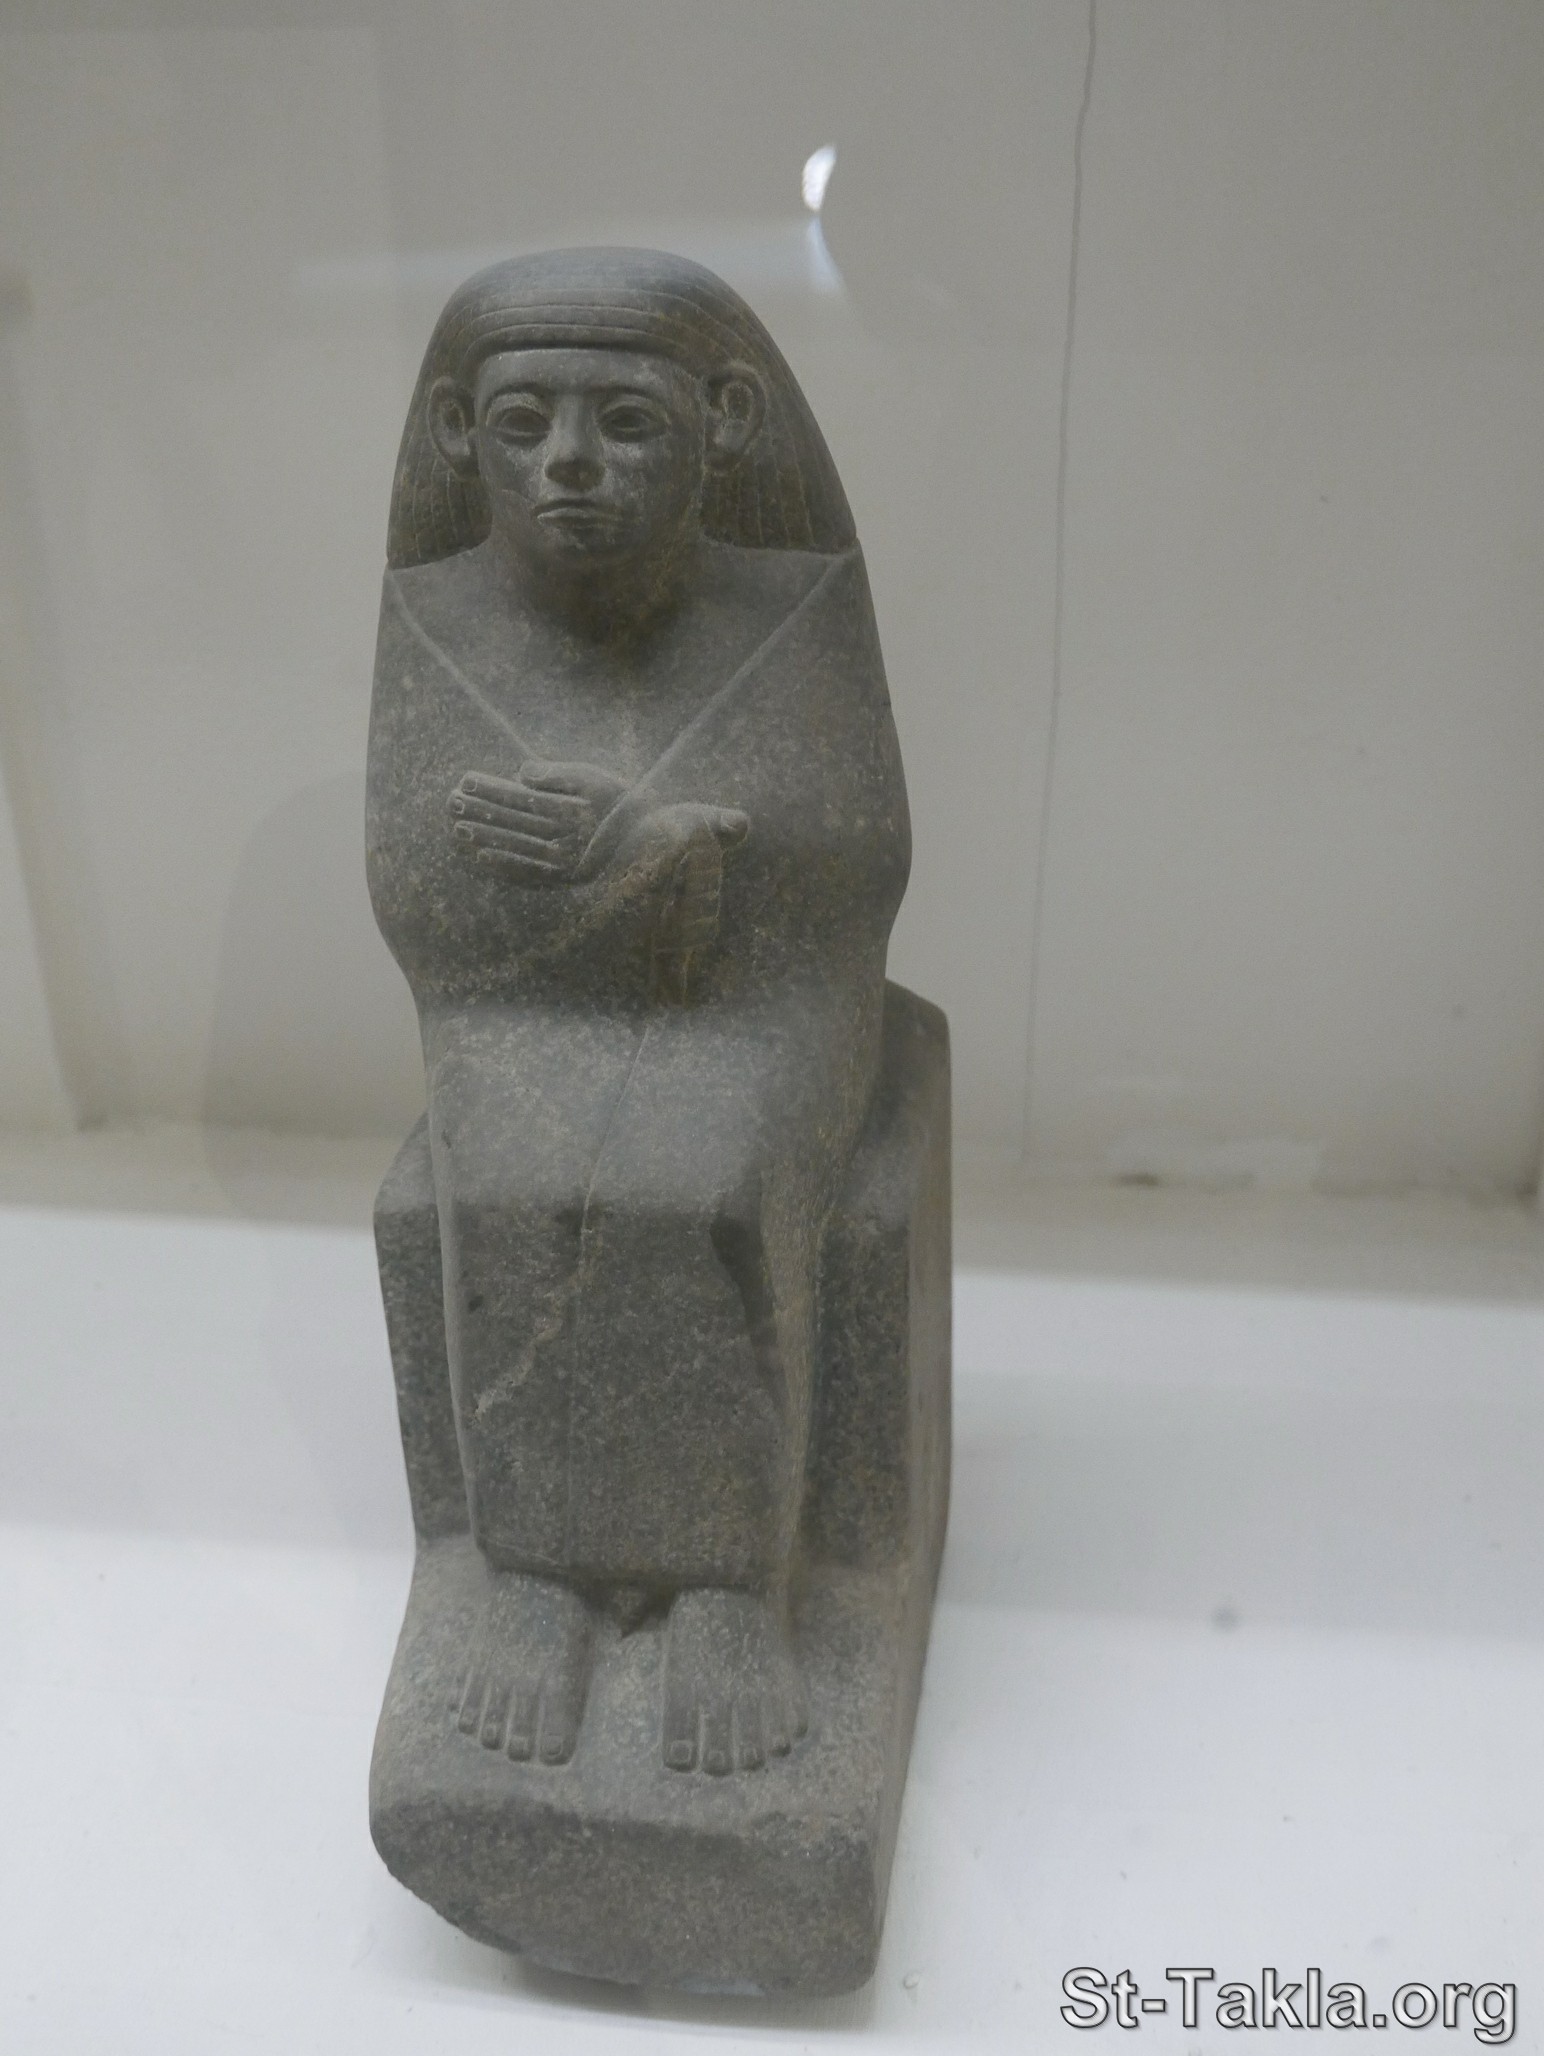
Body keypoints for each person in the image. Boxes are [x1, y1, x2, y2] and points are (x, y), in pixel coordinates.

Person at [367, 247, 909, 1776]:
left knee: (703, 1176)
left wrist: (671, 848)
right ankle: (538, 1573)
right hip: (523, 1008)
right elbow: (409, 880)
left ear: (721, 425)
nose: (570, 464)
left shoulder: (791, 611)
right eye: (523, 423)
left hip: (760, 1004)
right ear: (461, 435)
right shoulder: (437, 619)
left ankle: (730, 1584)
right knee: (519, 1174)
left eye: (625, 424)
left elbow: (861, 858)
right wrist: (581, 889)